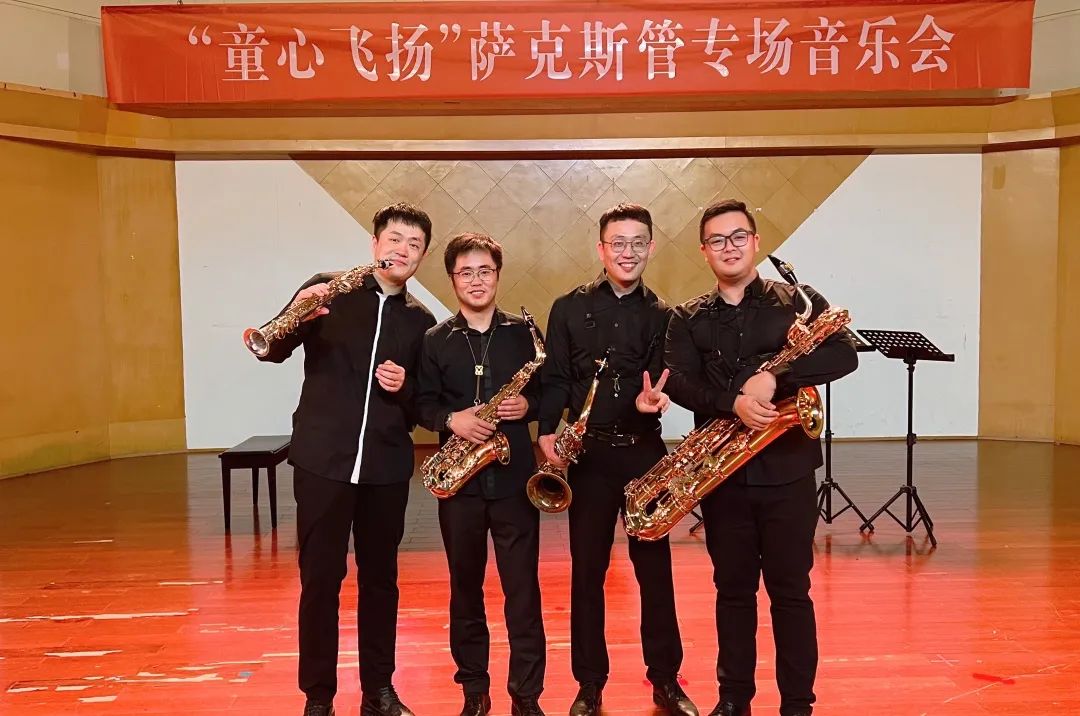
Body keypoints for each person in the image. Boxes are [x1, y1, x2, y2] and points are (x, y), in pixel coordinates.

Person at [664, 199, 858, 716]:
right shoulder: (686, 318)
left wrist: (777, 376)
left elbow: (845, 354)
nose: (729, 247)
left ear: (755, 241)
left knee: (791, 592)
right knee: (732, 592)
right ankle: (734, 699)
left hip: (788, 471)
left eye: (738, 237)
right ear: (704, 251)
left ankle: (797, 705)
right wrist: (732, 403)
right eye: (717, 240)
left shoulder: (797, 301)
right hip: (722, 476)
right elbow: (679, 381)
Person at [256, 203, 437, 716]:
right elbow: (272, 348)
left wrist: (405, 388)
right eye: (394, 239)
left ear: (422, 257)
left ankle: (379, 690)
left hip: (386, 469)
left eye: (414, 245)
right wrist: (295, 313)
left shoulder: (422, 322)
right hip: (322, 462)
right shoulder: (327, 289)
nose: (402, 250)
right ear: (375, 243)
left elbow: (424, 405)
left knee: (381, 583)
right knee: (320, 580)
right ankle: (318, 697)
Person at [538, 203, 696, 716]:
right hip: (589, 457)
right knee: (587, 573)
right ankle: (590, 684)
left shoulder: (665, 316)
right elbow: (556, 379)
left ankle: (666, 679)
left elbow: (664, 380)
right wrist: (547, 432)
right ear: (601, 248)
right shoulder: (567, 308)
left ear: (651, 247)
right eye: (618, 243)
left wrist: (653, 401)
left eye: (638, 242)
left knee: (655, 571)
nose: (628, 252)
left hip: (645, 454)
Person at [415, 233, 547, 716]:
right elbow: (421, 403)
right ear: (452, 279)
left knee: (522, 592)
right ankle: (474, 689)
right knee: (465, 590)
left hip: (515, 483)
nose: (476, 280)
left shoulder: (524, 335)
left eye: (485, 271)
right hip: (462, 485)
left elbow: (552, 392)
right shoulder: (435, 340)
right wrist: (451, 419)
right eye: (465, 272)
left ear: (497, 274)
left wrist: (530, 405)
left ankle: (526, 696)